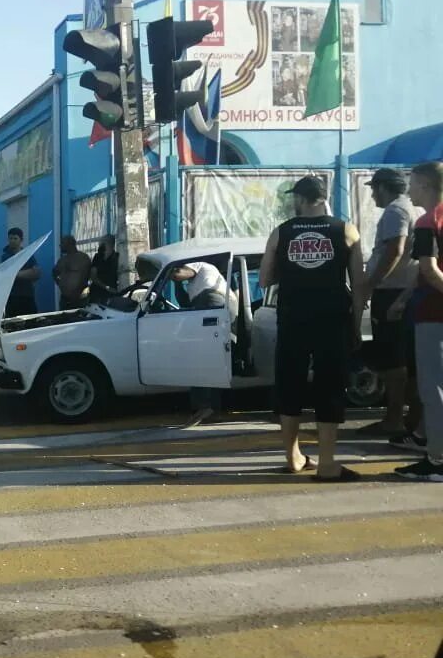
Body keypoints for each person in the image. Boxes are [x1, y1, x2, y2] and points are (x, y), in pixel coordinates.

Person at [259, 176, 365, 481]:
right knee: (330, 385)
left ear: (301, 199)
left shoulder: (282, 232)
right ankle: (328, 462)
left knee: (289, 383)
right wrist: (356, 325)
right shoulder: (346, 230)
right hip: (332, 318)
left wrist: (289, 269)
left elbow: (265, 279)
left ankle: (293, 457)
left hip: (293, 317)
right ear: (323, 197)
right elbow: (358, 284)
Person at [358, 168, 421, 436]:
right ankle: (410, 418)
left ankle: (394, 418)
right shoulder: (414, 209)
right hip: (403, 290)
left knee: (393, 362)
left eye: (374, 189)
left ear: (384, 187)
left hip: (392, 292)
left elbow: (395, 248)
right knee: (406, 360)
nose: (372, 195)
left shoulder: (396, 210)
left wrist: (371, 284)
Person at [395, 161, 443, 482]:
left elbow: (428, 268)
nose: (409, 190)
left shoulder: (428, 221)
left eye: (412, 184)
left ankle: (437, 461)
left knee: (433, 390)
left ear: (425, 186)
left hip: (433, 315)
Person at [168, 261, 236, 427]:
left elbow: (179, 274)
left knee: (199, 357)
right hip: (213, 305)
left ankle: (204, 406)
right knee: (210, 359)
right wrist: (177, 285)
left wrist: (169, 272)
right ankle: (212, 409)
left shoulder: (202, 265)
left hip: (211, 302)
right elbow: (184, 301)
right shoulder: (197, 285)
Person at [2, 227, 40, 317]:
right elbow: (6, 274)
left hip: (27, 296)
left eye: (15, 238)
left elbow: (36, 273)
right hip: (12, 297)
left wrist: (15, 274)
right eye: (10, 238)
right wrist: (27, 273)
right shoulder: (5, 257)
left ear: (21, 240)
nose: (12, 241)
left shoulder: (28, 255)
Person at [53, 235, 92, 309]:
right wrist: (60, 284)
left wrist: (79, 290)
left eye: (62, 243)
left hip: (79, 299)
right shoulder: (62, 260)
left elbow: (87, 276)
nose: (60, 245)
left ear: (70, 244)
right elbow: (54, 272)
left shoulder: (83, 258)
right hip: (65, 299)